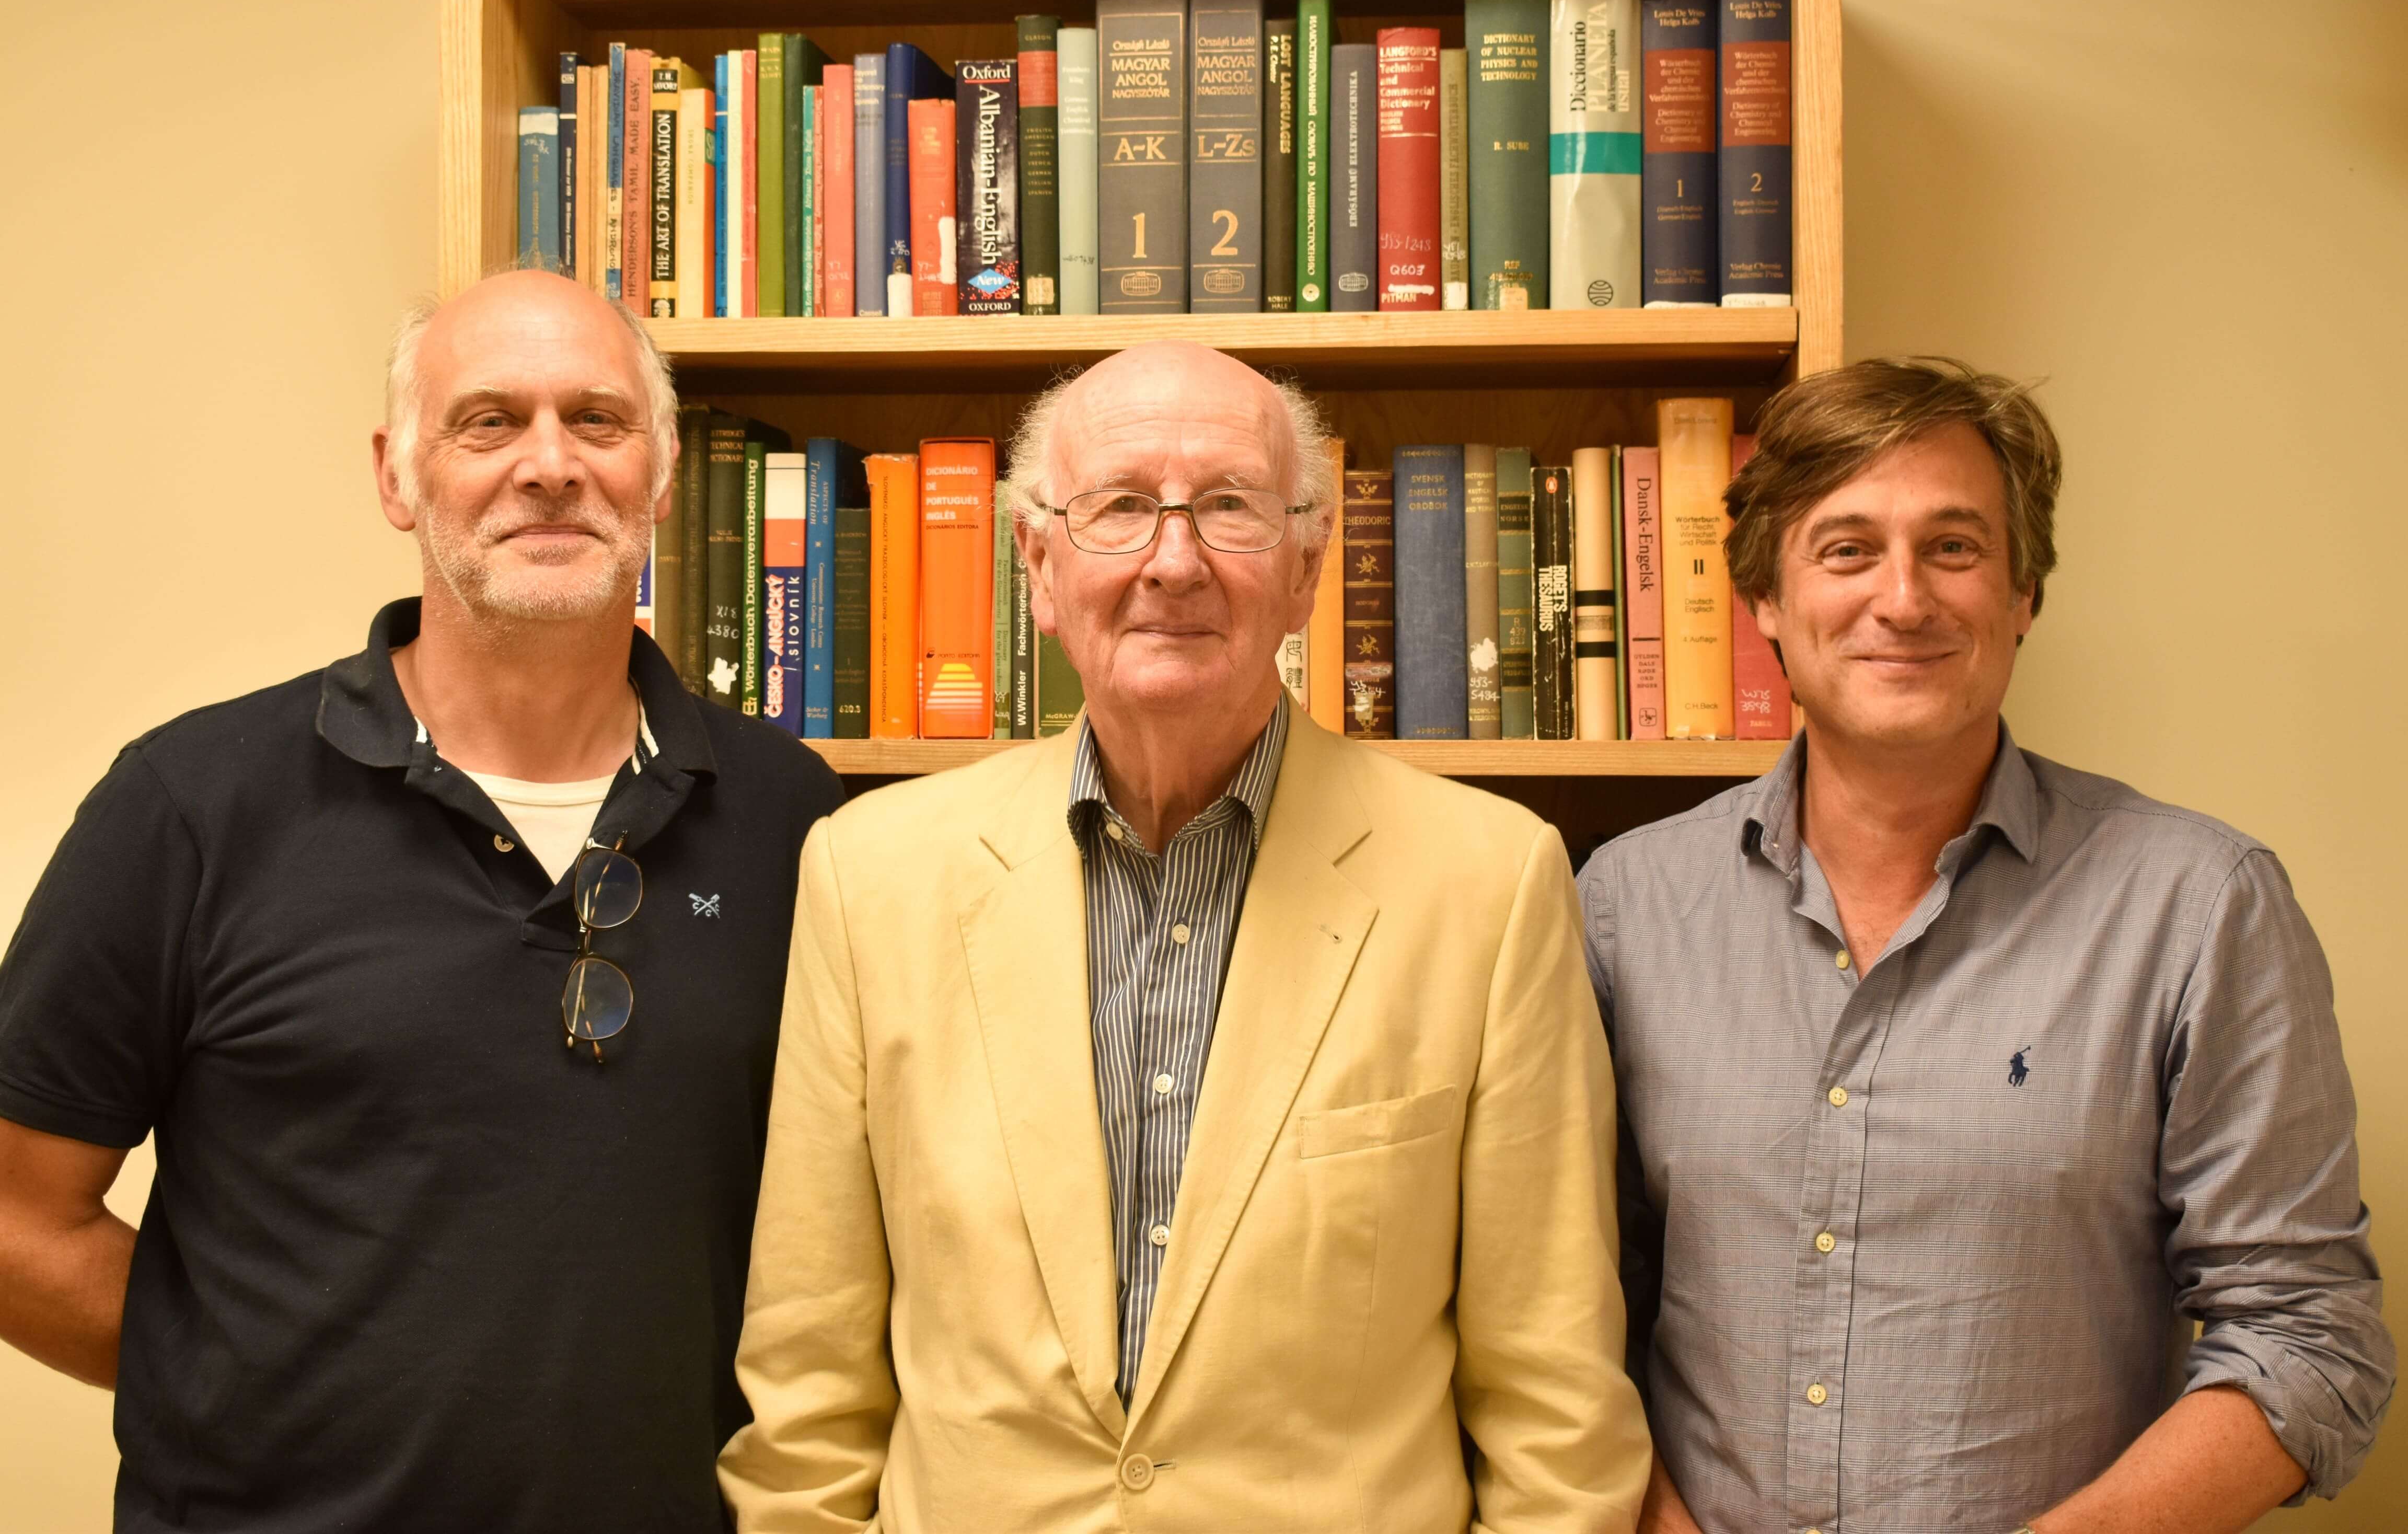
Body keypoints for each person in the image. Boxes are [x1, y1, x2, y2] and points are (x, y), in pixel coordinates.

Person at [717, 341, 1651, 1531]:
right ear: (1038, 566)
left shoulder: (1492, 883)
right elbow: (809, 1396)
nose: (1173, 561)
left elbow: (1555, 1418)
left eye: (1229, 507)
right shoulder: (870, 875)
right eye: (1119, 508)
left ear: (1308, 567)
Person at [0, 269, 844, 1531]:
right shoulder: (192, 804)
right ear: (397, 476)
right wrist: (242, 1383)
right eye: (488, 422)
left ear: (662, 476)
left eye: (598, 421)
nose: (550, 466)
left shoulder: (795, 817)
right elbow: (15, 1216)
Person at [1579, 357, 2393, 1534]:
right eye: (1847, 550)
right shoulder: (1625, 906)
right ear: (1764, 600)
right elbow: (1565, 1310)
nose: (1903, 599)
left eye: (1953, 547)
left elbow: (2310, 1340)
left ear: (2024, 594)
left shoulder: (2201, 907)